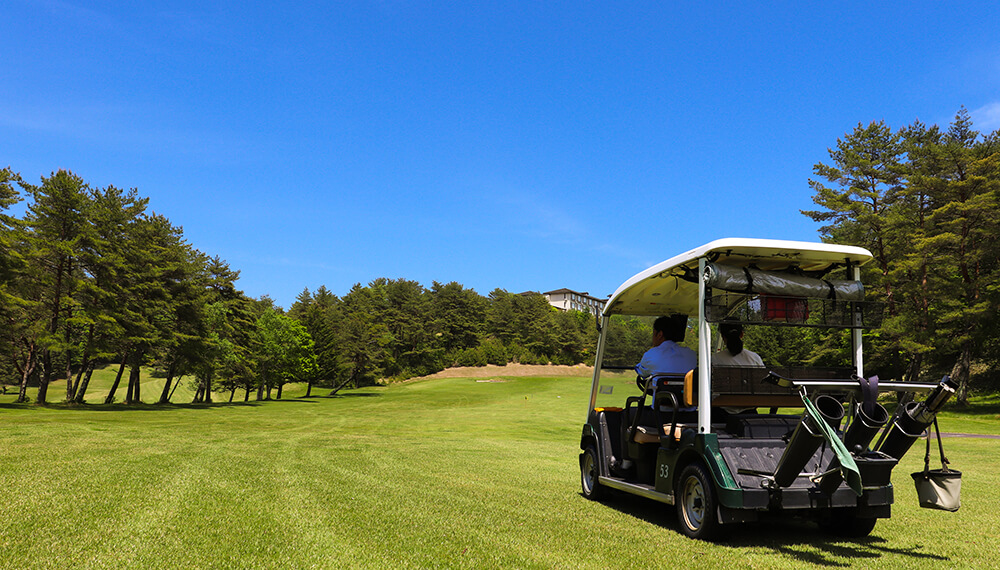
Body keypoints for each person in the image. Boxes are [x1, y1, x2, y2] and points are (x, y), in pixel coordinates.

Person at [636, 314, 697, 387]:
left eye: (653, 333)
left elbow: (642, 373)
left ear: (659, 335)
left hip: (663, 397)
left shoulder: (651, 355)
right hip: (687, 397)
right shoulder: (691, 354)